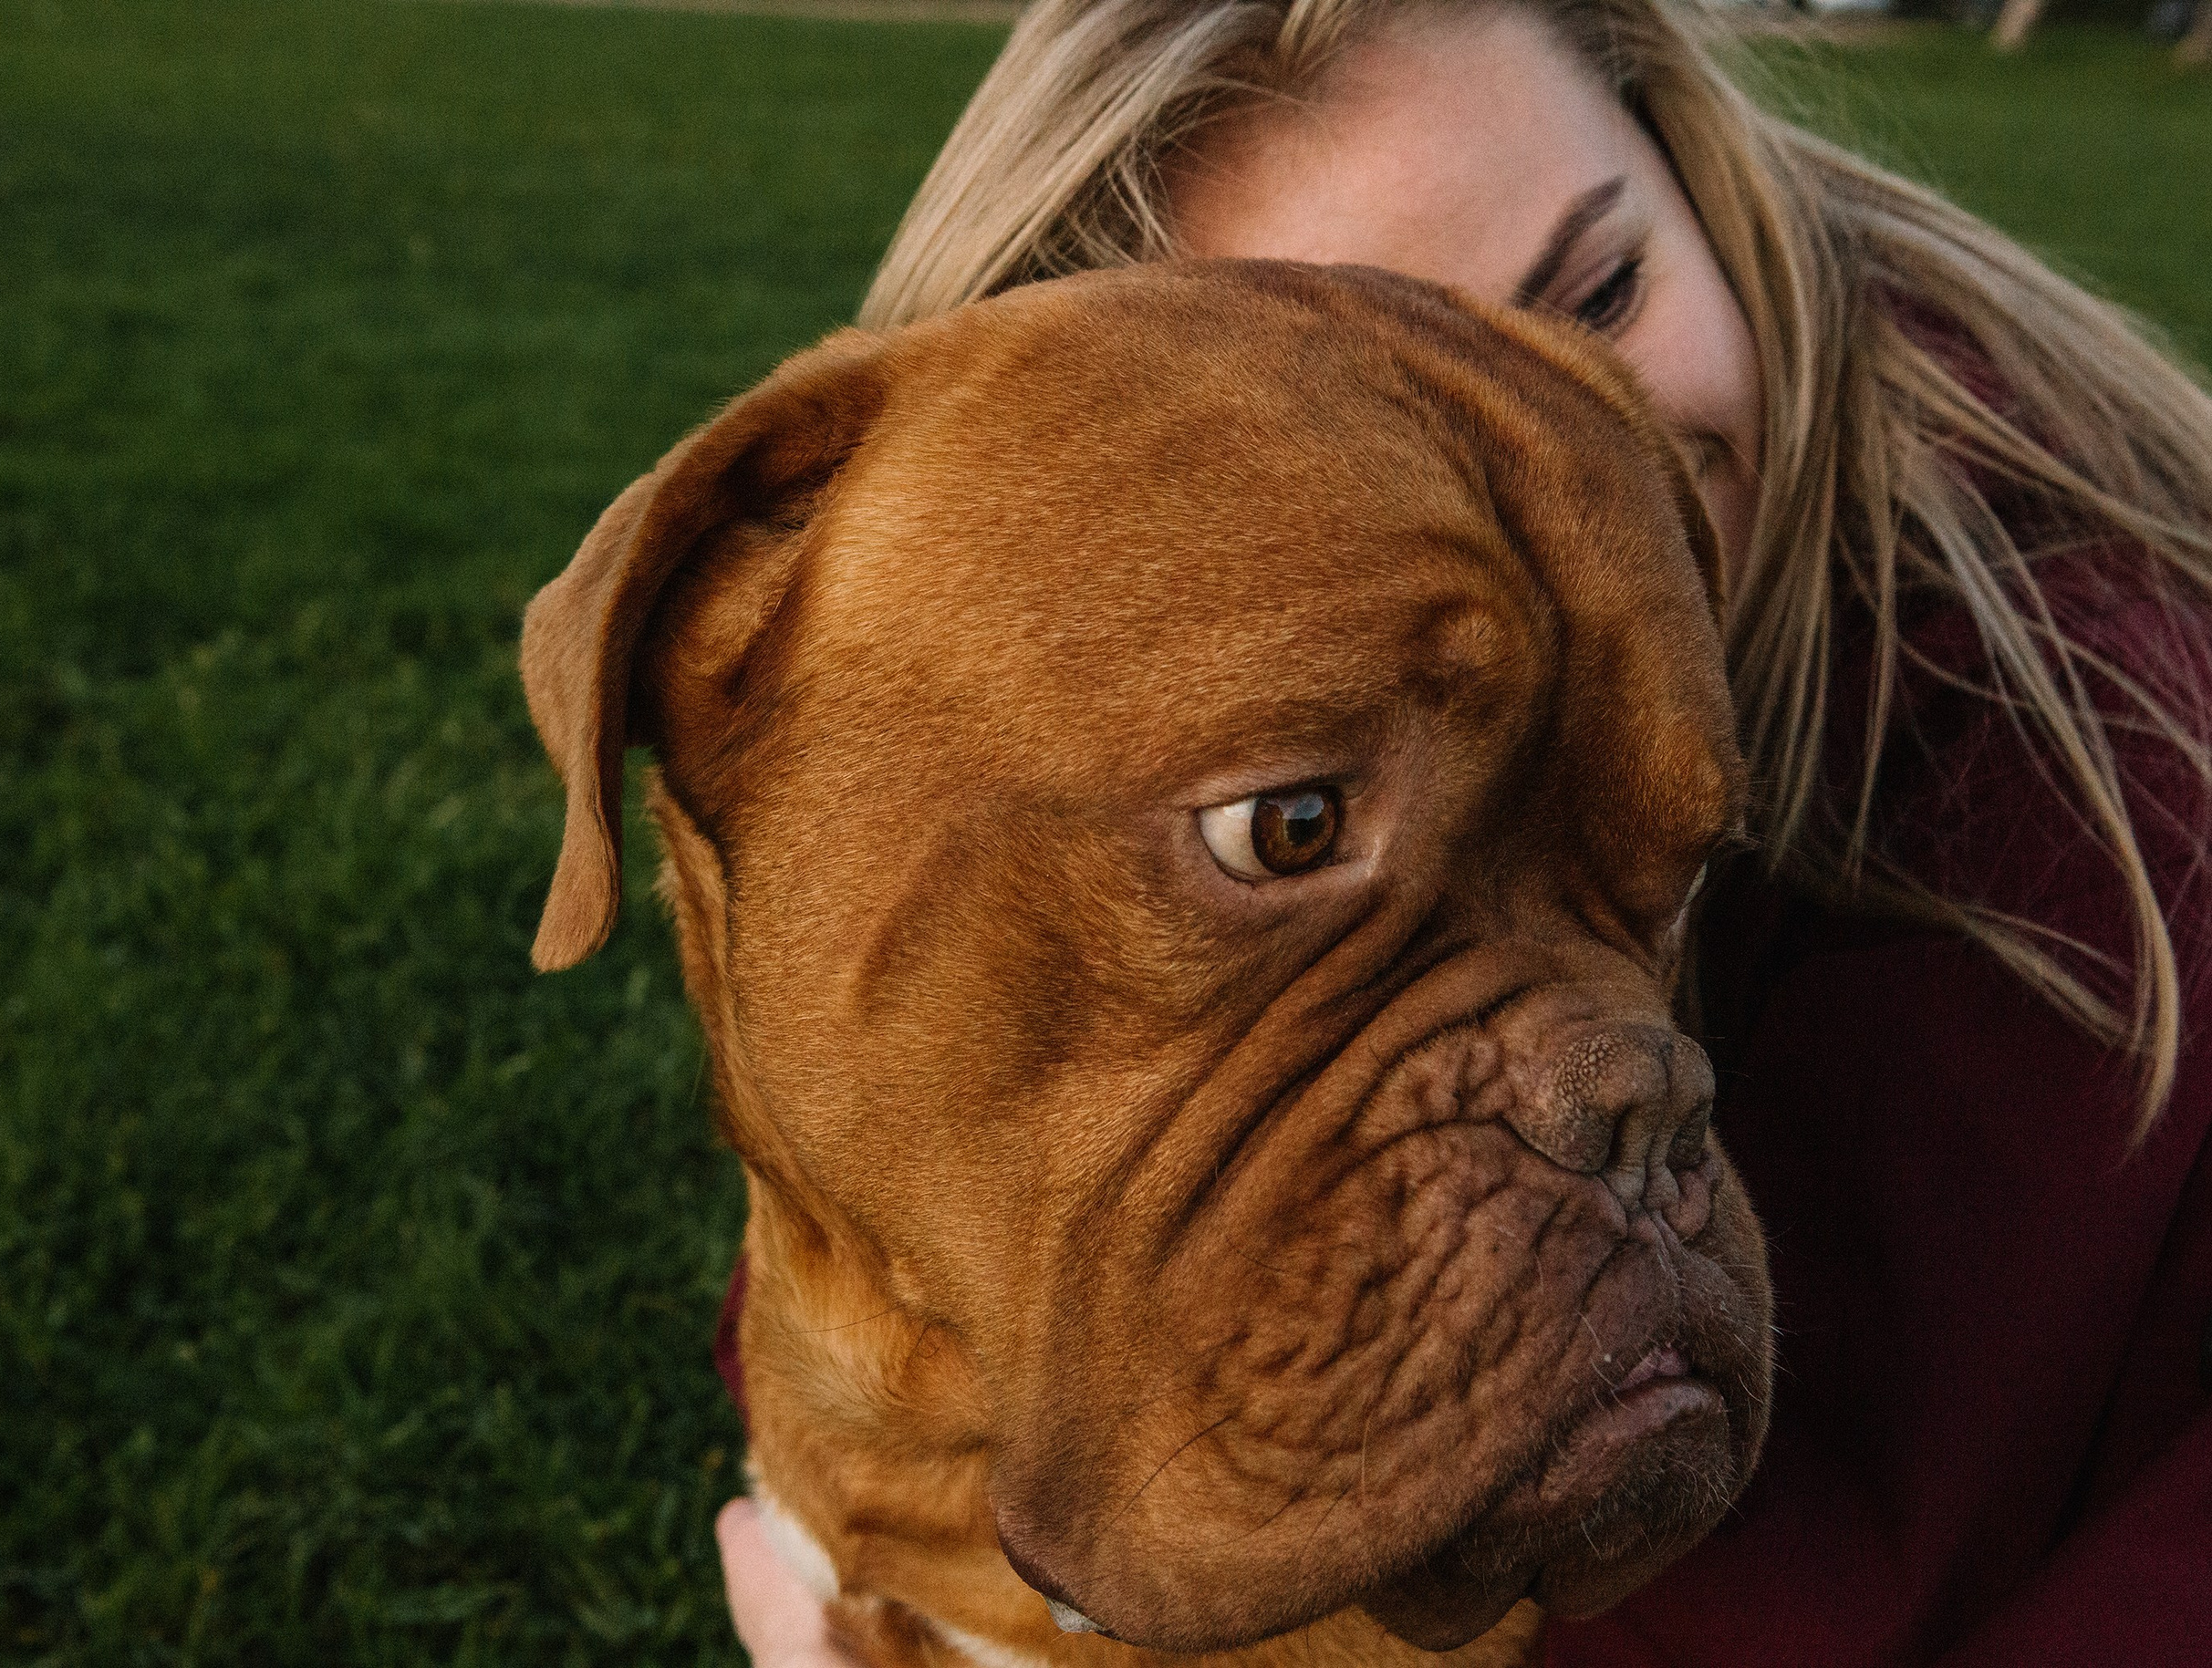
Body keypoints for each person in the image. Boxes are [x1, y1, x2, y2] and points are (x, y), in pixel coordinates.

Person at [713, 2, 2212, 1662]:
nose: (1549, 423)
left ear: (1691, 164)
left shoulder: (2085, 810)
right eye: (1368, 395)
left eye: (1598, 292)